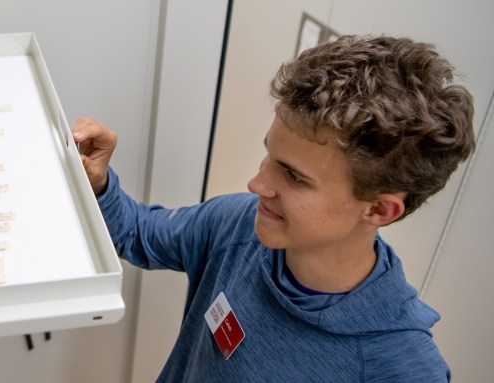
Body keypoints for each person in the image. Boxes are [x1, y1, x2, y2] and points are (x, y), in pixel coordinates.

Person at [71, 36, 475, 382]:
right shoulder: (240, 226)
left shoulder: (397, 368)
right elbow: (137, 233)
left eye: (294, 177)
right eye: (270, 155)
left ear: (380, 210)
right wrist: (99, 183)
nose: (257, 185)